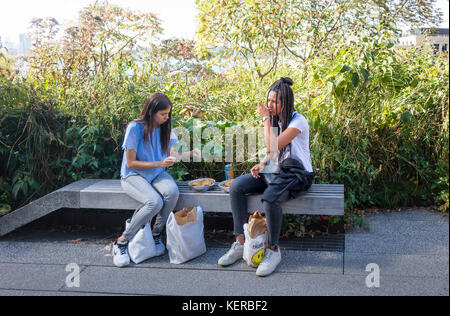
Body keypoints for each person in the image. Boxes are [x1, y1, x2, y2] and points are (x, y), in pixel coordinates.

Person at [218, 77, 314, 277]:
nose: (269, 105)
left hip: (298, 174)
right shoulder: (276, 120)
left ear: (285, 103)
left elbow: (273, 144)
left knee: (270, 198)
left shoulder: (298, 121)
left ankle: (273, 250)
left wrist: (265, 119)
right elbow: (272, 152)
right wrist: (263, 164)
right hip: (276, 170)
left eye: (274, 102)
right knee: (236, 186)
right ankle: (240, 243)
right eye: (268, 101)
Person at [113, 92, 200, 268]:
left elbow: (169, 155)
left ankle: (155, 233)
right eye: (163, 114)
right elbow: (131, 163)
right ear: (151, 112)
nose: (167, 118)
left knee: (172, 192)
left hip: (156, 174)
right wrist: (160, 163)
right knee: (154, 202)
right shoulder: (134, 128)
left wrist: (189, 154)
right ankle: (122, 241)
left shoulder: (165, 127)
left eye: (168, 114)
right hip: (133, 175)